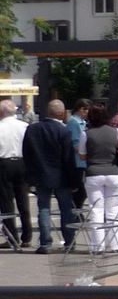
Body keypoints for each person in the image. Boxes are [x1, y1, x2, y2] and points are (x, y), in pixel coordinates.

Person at [23, 99, 79, 254]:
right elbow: (69, 158)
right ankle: (69, 242)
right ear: (61, 113)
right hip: (61, 176)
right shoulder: (64, 131)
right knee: (66, 209)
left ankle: (45, 243)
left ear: (48, 112)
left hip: (41, 175)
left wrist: (30, 177)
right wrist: (74, 180)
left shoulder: (32, 130)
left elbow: (27, 155)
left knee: (44, 209)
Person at [81, 102, 118, 254]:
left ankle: (98, 246)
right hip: (113, 172)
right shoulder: (115, 132)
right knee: (113, 209)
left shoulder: (86, 133)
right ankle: (117, 245)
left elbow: (82, 155)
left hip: (94, 173)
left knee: (96, 209)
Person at [0, 100, 31, 248]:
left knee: (6, 202)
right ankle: (27, 235)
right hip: (22, 162)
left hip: (4, 163)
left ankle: (11, 236)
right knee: (23, 200)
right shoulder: (24, 126)